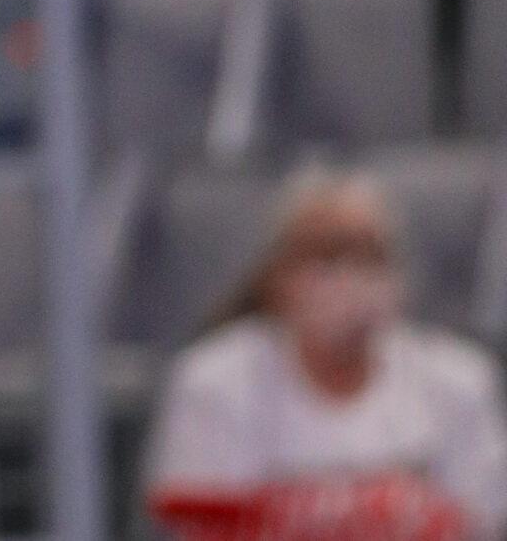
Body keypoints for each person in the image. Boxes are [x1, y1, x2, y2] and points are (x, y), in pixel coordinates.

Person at [144, 171, 507, 541]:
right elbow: (197, 523)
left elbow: (481, 523)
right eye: (328, 256)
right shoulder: (213, 382)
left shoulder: (459, 380)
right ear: (277, 276)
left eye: (370, 255)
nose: (350, 276)